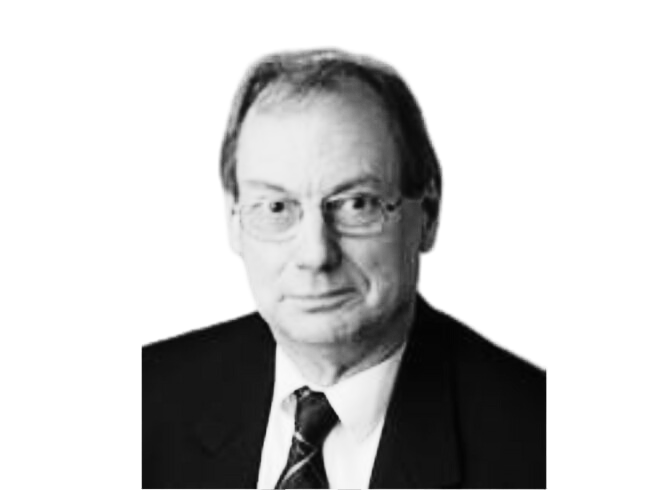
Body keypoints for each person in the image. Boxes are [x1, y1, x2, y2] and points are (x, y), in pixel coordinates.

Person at [142, 48, 546, 489]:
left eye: (357, 204)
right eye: (276, 207)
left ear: (427, 213)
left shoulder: (538, 442)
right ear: (233, 221)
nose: (316, 255)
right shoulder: (146, 398)